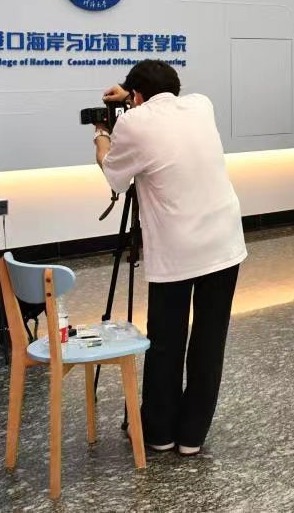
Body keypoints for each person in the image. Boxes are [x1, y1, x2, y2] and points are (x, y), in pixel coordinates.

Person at [96, 61, 248, 456]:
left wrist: (101, 133)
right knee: (209, 340)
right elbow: (159, 105)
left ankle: (159, 434)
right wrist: (133, 95)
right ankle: (192, 437)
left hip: (177, 250)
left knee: (166, 340)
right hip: (224, 241)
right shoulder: (201, 105)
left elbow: (114, 175)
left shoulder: (132, 123)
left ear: (137, 96)